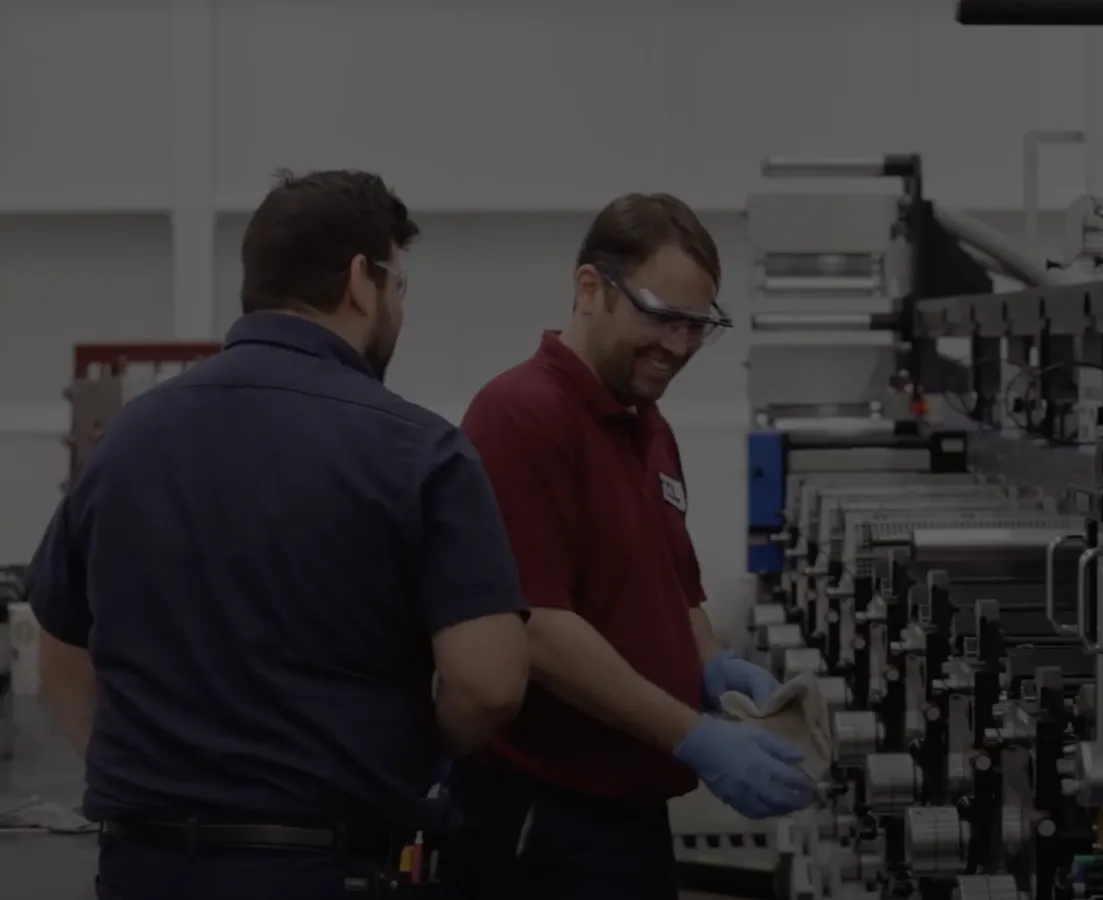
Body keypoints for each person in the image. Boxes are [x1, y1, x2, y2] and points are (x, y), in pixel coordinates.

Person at [26, 169, 530, 900]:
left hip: (143, 866)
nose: (398, 308)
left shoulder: (125, 443)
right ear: (362, 281)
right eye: (400, 288)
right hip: (320, 865)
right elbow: (488, 682)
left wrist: (133, 766)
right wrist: (410, 754)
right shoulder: (419, 453)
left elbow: (60, 651)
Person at [441, 193, 817, 900]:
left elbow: (675, 587)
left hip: (626, 812)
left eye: (697, 327)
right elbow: (539, 627)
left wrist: (712, 665)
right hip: (542, 819)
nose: (678, 348)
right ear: (592, 289)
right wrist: (693, 735)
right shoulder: (523, 415)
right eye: (662, 317)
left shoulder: (647, 425)